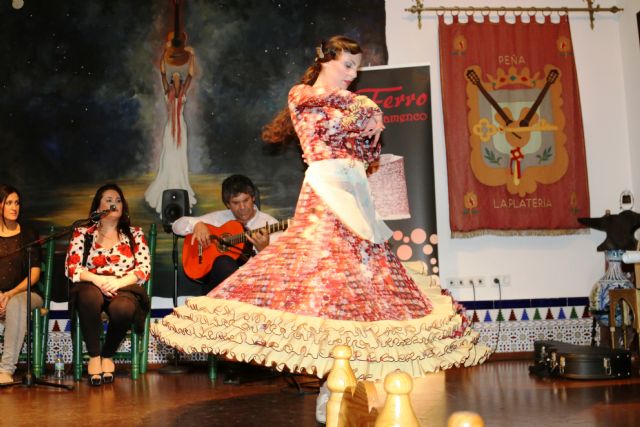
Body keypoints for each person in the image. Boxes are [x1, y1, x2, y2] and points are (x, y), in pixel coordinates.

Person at [152, 35, 490, 398]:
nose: (352, 75)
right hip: (326, 192)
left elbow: (366, 149)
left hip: (356, 193)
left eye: (356, 69)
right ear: (326, 60)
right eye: (347, 65)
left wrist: (368, 125)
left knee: (360, 283)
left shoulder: (351, 104)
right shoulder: (303, 94)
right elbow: (332, 100)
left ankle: (343, 382)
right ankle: (333, 383)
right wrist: (367, 107)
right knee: (322, 280)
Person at [65, 183, 151, 386]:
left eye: (118, 200)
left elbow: (143, 269)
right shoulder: (83, 233)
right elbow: (72, 268)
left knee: (123, 308)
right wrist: (97, 280)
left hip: (123, 286)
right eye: (109, 200)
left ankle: (108, 355)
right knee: (88, 296)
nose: (115, 204)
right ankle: (94, 357)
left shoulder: (134, 234)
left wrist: (118, 282)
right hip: (92, 283)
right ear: (98, 208)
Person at [172, 174, 282, 294]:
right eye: (236, 203)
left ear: (253, 198)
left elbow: (279, 269)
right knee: (223, 262)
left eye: (246, 200)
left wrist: (264, 251)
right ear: (228, 204)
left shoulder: (270, 224)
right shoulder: (219, 219)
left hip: (254, 288)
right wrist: (196, 225)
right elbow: (176, 226)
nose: (242, 207)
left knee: (225, 262)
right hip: (217, 289)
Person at [144, 41, 197, 216]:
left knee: (179, 156)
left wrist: (192, 57)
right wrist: (164, 52)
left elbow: (190, 75)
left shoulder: (183, 93)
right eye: (172, 78)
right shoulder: (169, 93)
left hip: (181, 126)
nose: (173, 78)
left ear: (179, 82)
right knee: (169, 155)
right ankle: (167, 184)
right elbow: (162, 73)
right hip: (170, 128)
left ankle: (180, 185)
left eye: (176, 77)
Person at [0, 185, 44, 384]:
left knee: (16, 303)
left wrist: (9, 294)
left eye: (17, 203)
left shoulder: (28, 233)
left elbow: (34, 274)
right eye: (9, 202)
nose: (14, 207)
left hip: (26, 294)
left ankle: (6, 370)